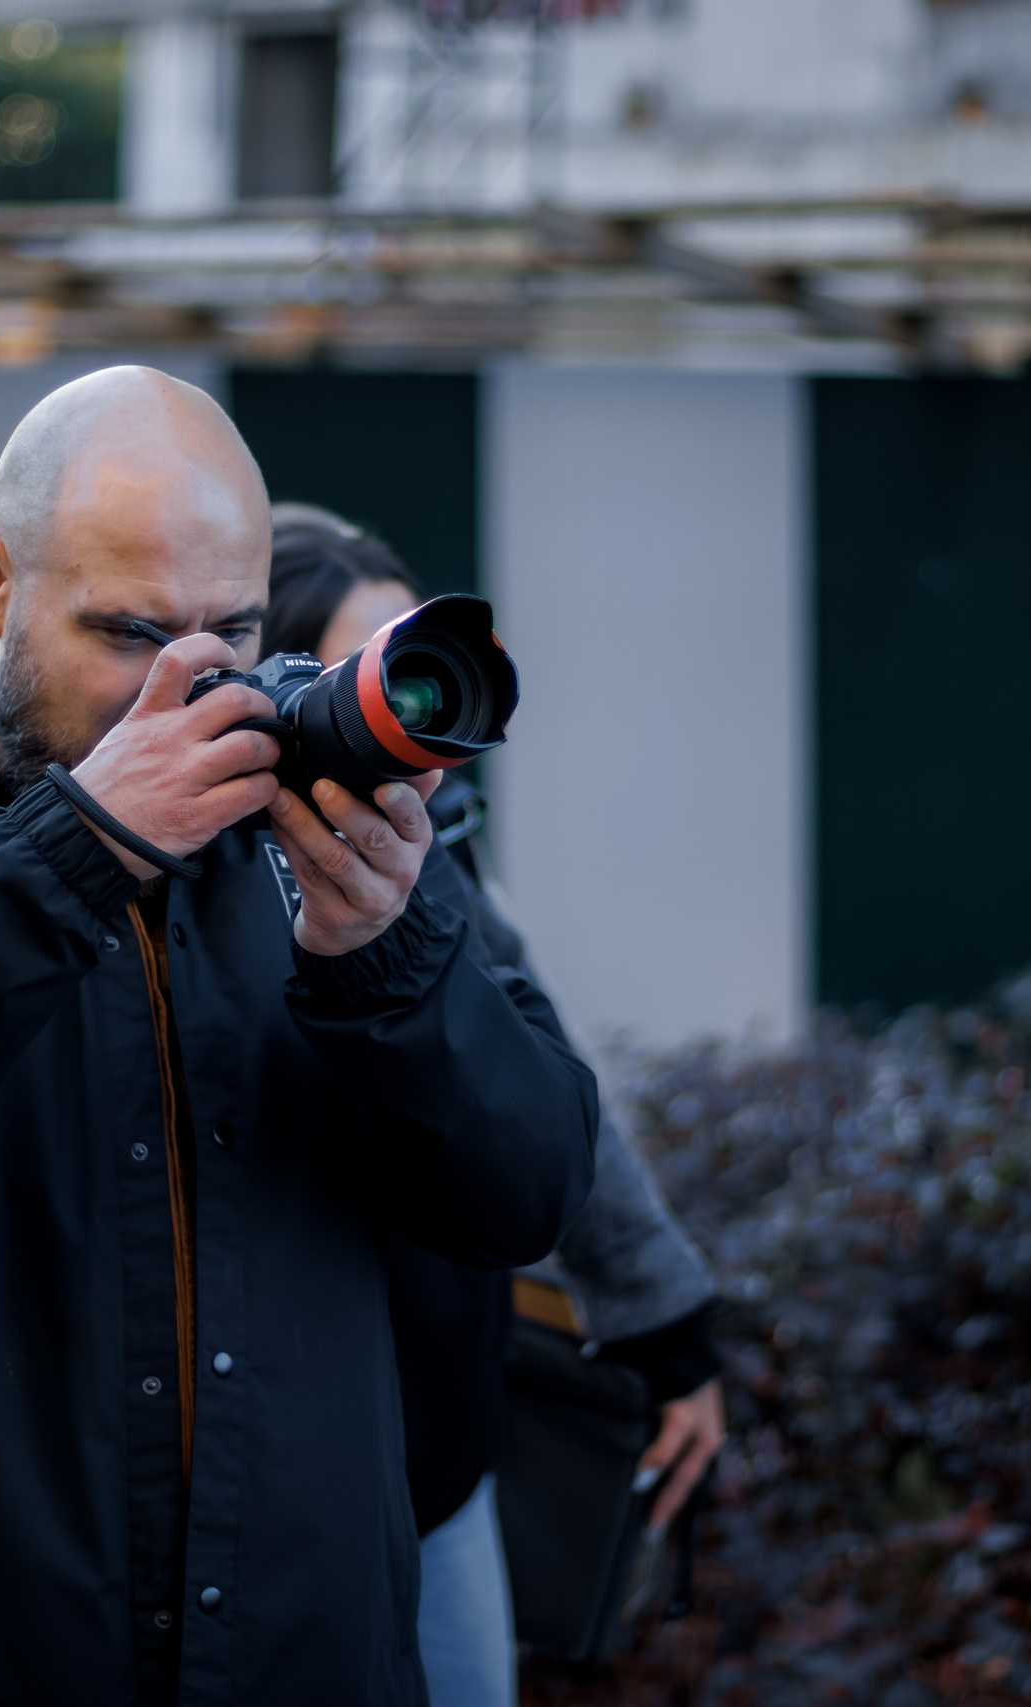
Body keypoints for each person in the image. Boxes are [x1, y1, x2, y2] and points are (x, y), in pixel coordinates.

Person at [0, 369, 598, 1707]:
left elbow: (534, 1184)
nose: (195, 681)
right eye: (132, 630)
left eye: (238, 630)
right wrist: (73, 850)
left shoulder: (322, 832)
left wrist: (392, 960)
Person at [267, 505, 725, 1707]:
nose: (401, 716)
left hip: (436, 1457)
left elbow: (550, 1104)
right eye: (359, 677)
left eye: (411, 671)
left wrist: (666, 1332)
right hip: (260, 1476)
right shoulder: (168, 867)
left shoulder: (437, 853)